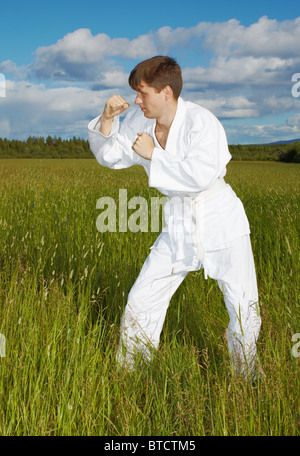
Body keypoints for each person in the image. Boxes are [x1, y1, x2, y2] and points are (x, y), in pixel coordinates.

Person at [88, 56, 262, 380]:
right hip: (179, 222)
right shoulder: (140, 123)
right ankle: (133, 373)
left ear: (165, 92)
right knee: (143, 297)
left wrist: (154, 154)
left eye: (142, 93)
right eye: (135, 94)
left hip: (219, 218)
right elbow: (111, 156)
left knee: (242, 306)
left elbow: (199, 176)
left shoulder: (202, 122)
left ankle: (246, 377)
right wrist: (107, 120)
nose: (137, 101)